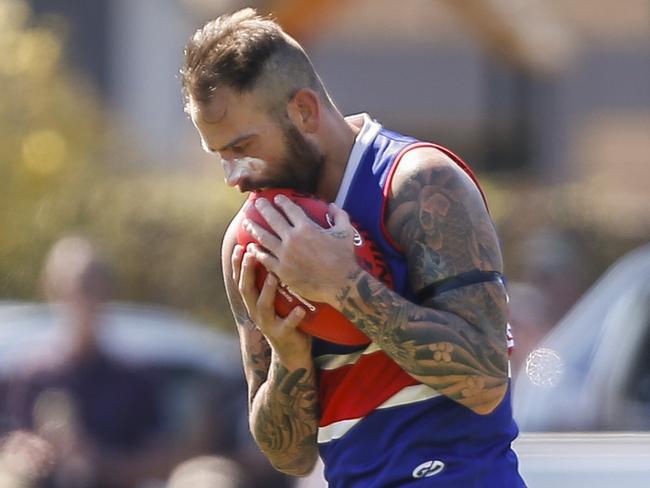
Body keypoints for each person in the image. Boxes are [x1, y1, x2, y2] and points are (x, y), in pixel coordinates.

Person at [181, 8, 526, 487]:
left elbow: (487, 381)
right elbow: (291, 458)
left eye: (242, 147)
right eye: (221, 156)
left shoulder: (419, 185)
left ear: (303, 110)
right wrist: (288, 354)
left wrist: (344, 287)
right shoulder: (252, 246)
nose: (234, 177)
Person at [3, 237, 205, 487]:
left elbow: (162, 461)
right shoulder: (30, 377)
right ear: (51, 291)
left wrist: (98, 460)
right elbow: (11, 445)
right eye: (75, 288)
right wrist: (26, 454)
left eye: (92, 288)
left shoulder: (133, 379)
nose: (83, 300)